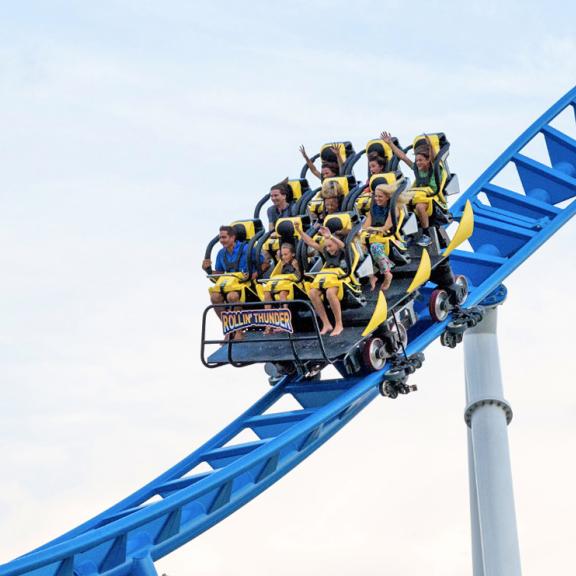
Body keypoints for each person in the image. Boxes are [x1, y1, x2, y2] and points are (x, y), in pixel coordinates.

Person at [381, 131, 443, 247]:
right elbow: (403, 156)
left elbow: (434, 158)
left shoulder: (434, 168)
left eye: (421, 160)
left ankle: (426, 235)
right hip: (418, 194)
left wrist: (430, 146)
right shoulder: (416, 168)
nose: (418, 162)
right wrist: (390, 144)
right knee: (400, 205)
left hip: (431, 196)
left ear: (428, 160)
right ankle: (405, 233)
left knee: (419, 206)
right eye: (417, 160)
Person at [295, 222, 347, 337]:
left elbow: (343, 245)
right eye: (326, 246)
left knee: (330, 293)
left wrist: (330, 236)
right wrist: (300, 231)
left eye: (330, 246)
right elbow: (310, 242)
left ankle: (339, 324)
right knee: (312, 293)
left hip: (340, 278)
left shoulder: (342, 251)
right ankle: (326, 323)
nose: (328, 249)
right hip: (326, 277)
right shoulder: (325, 252)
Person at [363, 181, 413, 292]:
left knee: (375, 247)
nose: (377, 199)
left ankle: (387, 274)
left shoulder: (393, 209)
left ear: (387, 197)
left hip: (392, 240)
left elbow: (386, 227)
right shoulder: (373, 209)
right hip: (375, 237)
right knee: (359, 250)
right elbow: (365, 226)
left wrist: (374, 230)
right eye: (375, 196)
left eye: (380, 196)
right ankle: (372, 276)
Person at [202, 225, 255, 310]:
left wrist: (252, 276)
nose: (221, 241)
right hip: (230, 285)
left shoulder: (247, 248)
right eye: (220, 238)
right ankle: (226, 322)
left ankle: (239, 322)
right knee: (214, 297)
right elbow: (220, 273)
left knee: (232, 296)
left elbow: (264, 264)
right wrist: (208, 270)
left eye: (224, 237)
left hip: (247, 285)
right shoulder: (221, 253)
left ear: (232, 237)